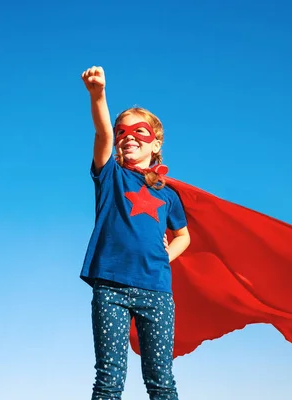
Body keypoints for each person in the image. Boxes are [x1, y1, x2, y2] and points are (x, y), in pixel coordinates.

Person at [79, 65, 191, 400]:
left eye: (139, 132)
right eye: (122, 131)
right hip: (110, 287)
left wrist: (163, 257)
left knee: (160, 381)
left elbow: (183, 236)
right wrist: (98, 94)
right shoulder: (110, 175)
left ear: (155, 144)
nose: (128, 137)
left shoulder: (168, 195)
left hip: (156, 293)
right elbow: (102, 135)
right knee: (109, 381)